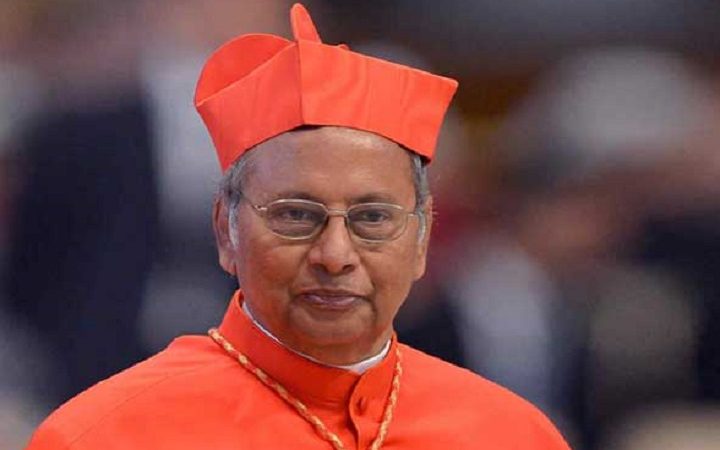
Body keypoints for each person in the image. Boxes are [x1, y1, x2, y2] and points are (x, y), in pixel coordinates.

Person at [25, 4, 570, 449]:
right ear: (225, 231)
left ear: (422, 237)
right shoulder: (103, 435)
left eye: (372, 218)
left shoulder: (511, 434)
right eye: (295, 215)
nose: (336, 254)